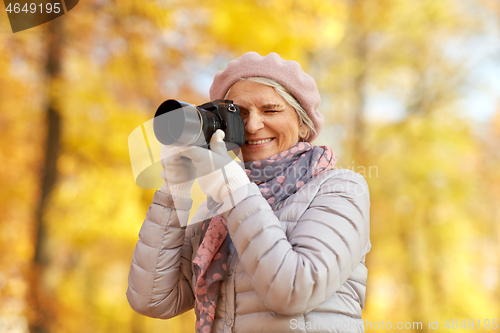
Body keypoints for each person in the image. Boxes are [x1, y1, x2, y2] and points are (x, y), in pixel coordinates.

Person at [126, 52, 371, 333]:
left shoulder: (340, 187)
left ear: (304, 125)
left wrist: (234, 191)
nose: (253, 126)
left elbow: (294, 290)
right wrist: (175, 188)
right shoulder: (217, 206)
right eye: (240, 114)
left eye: (270, 110)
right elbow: (153, 300)